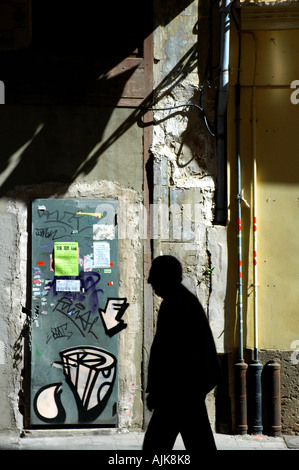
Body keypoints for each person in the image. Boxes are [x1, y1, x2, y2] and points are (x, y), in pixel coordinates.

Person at [143, 255, 221, 453]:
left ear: (165, 278)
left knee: (156, 447)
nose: (150, 281)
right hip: (185, 392)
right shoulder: (182, 301)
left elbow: (169, 355)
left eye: (155, 276)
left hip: (178, 393)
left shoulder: (176, 305)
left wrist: (157, 390)